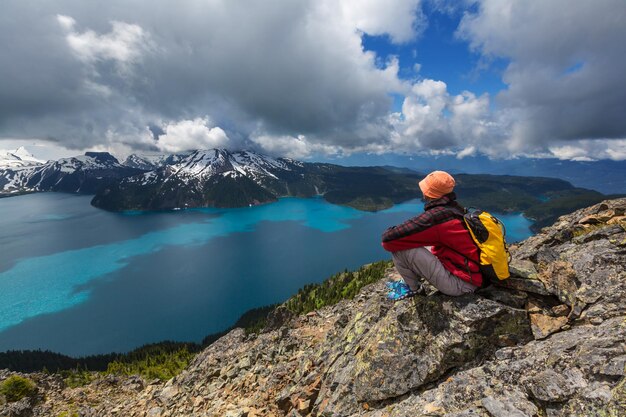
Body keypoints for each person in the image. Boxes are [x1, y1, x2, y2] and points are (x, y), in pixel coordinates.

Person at [381, 170, 481, 299]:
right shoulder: (455, 209)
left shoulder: (435, 217)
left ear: (428, 192)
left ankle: (414, 289)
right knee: (420, 243)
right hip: (474, 273)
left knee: (400, 249)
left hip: (461, 284)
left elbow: (388, 240)